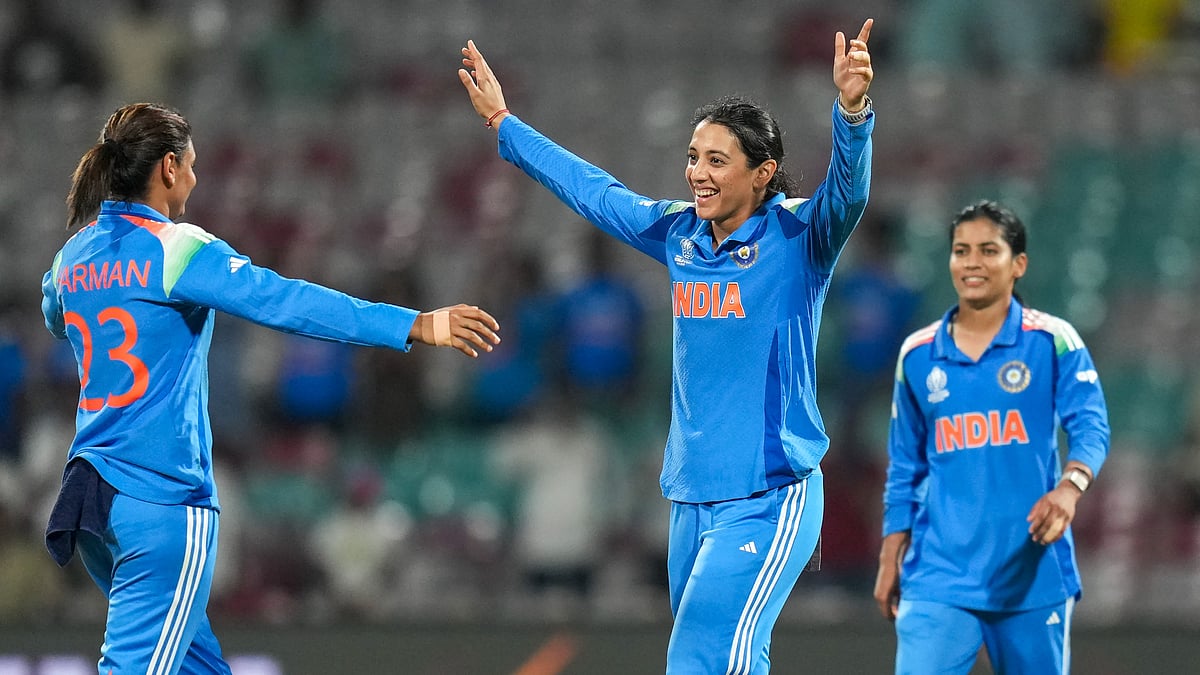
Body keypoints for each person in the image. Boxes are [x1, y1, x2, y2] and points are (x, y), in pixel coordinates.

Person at [459, 18, 875, 673]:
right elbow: (595, 192)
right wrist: (506, 125)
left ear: (763, 172)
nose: (697, 174)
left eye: (716, 160)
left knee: (696, 661)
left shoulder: (798, 236)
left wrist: (853, 112)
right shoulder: (679, 234)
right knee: (733, 661)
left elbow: (848, 196)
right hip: (690, 500)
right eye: (692, 157)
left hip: (768, 496)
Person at [40, 102, 500, 674]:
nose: (196, 178)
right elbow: (283, 300)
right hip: (161, 499)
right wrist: (411, 323)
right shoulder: (175, 248)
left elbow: (54, 312)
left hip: (93, 500)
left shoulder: (71, 257)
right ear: (166, 168)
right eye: (191, 165)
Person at [873, 200, 1110, 674]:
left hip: (1030, 575)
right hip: (937, 575)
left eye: (988, 250)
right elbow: (905, 466)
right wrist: (889, 552)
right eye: (961, 251)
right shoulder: (918, 354)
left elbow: (1091, 425)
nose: (972, 263)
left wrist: (1070, 487)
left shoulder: (1052, 340)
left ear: (1018, 263)